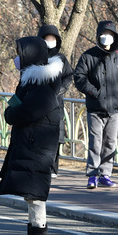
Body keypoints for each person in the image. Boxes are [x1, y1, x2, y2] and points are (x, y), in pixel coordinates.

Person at [0, 36, 64, 235]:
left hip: (38, 149)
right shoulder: (31, 83)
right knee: (31, 195)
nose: (17, 58)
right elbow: (15, 109)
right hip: (31, 146)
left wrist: (12, 112)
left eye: (20, 53)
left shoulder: (43, 88)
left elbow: (19, 113)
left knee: (35, 195)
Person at [73, 21, 118, 189]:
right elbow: (79, 78)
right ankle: (92, 174)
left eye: (110, 34)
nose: (107, 37)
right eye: (103, 34)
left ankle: (105, 174)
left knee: (110, 142)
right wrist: (94, 92)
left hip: (114, 109)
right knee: (95, 142)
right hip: (95, 108)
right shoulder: (88, 56)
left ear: (115, 36)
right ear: (98, 36)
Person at [37, 25, 74, 176]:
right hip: (38, 103)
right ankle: (40, 165)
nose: (50, 41)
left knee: (56, 135)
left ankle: (53, 168)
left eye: (53, 38)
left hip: (56, 102)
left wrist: (58, 91)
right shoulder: (36, 57)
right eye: (47, 38)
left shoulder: (61, 59)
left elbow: (69, 76)